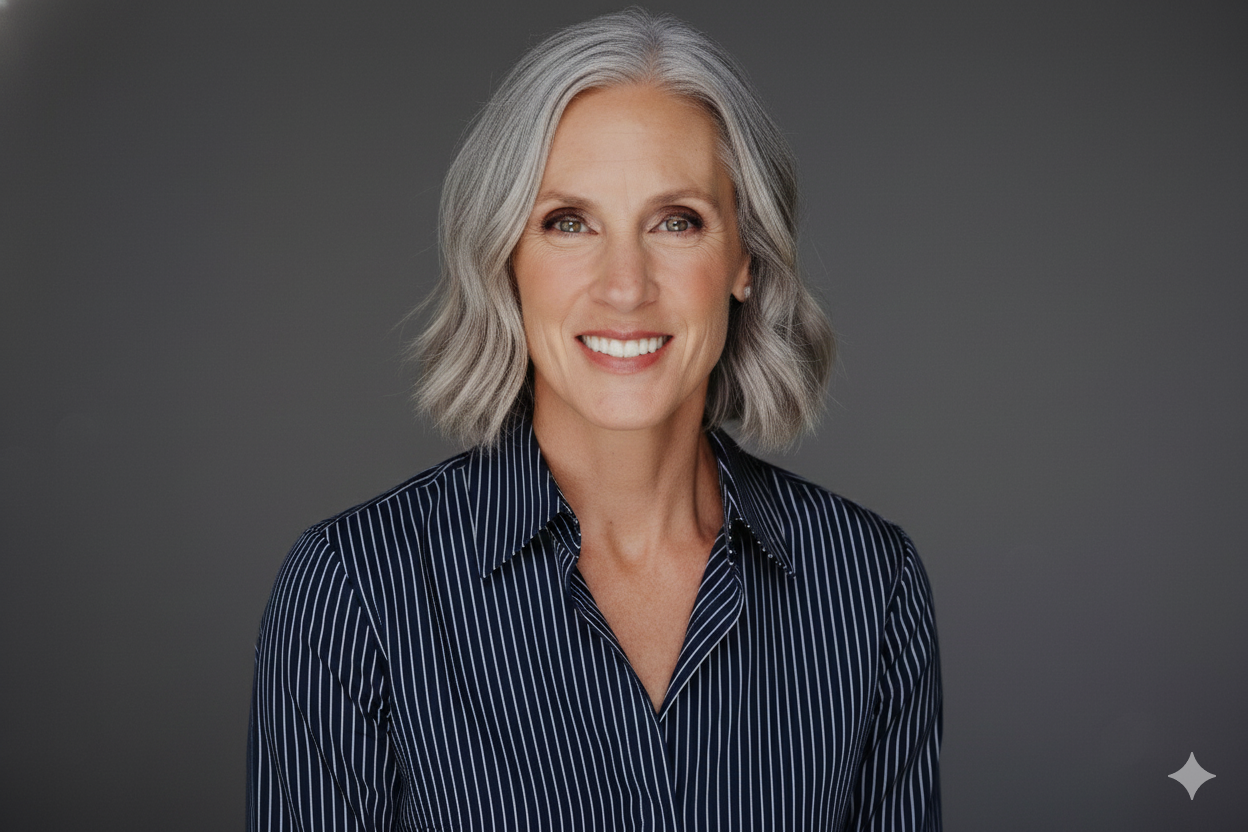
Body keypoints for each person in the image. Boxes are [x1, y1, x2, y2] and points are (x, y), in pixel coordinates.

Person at [248, 9, 941, 830]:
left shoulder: (869, 586)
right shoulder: (353, 594)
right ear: (505, 257)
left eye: (676, 221)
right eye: (568, 222)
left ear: (745, 258)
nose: (625, 285)